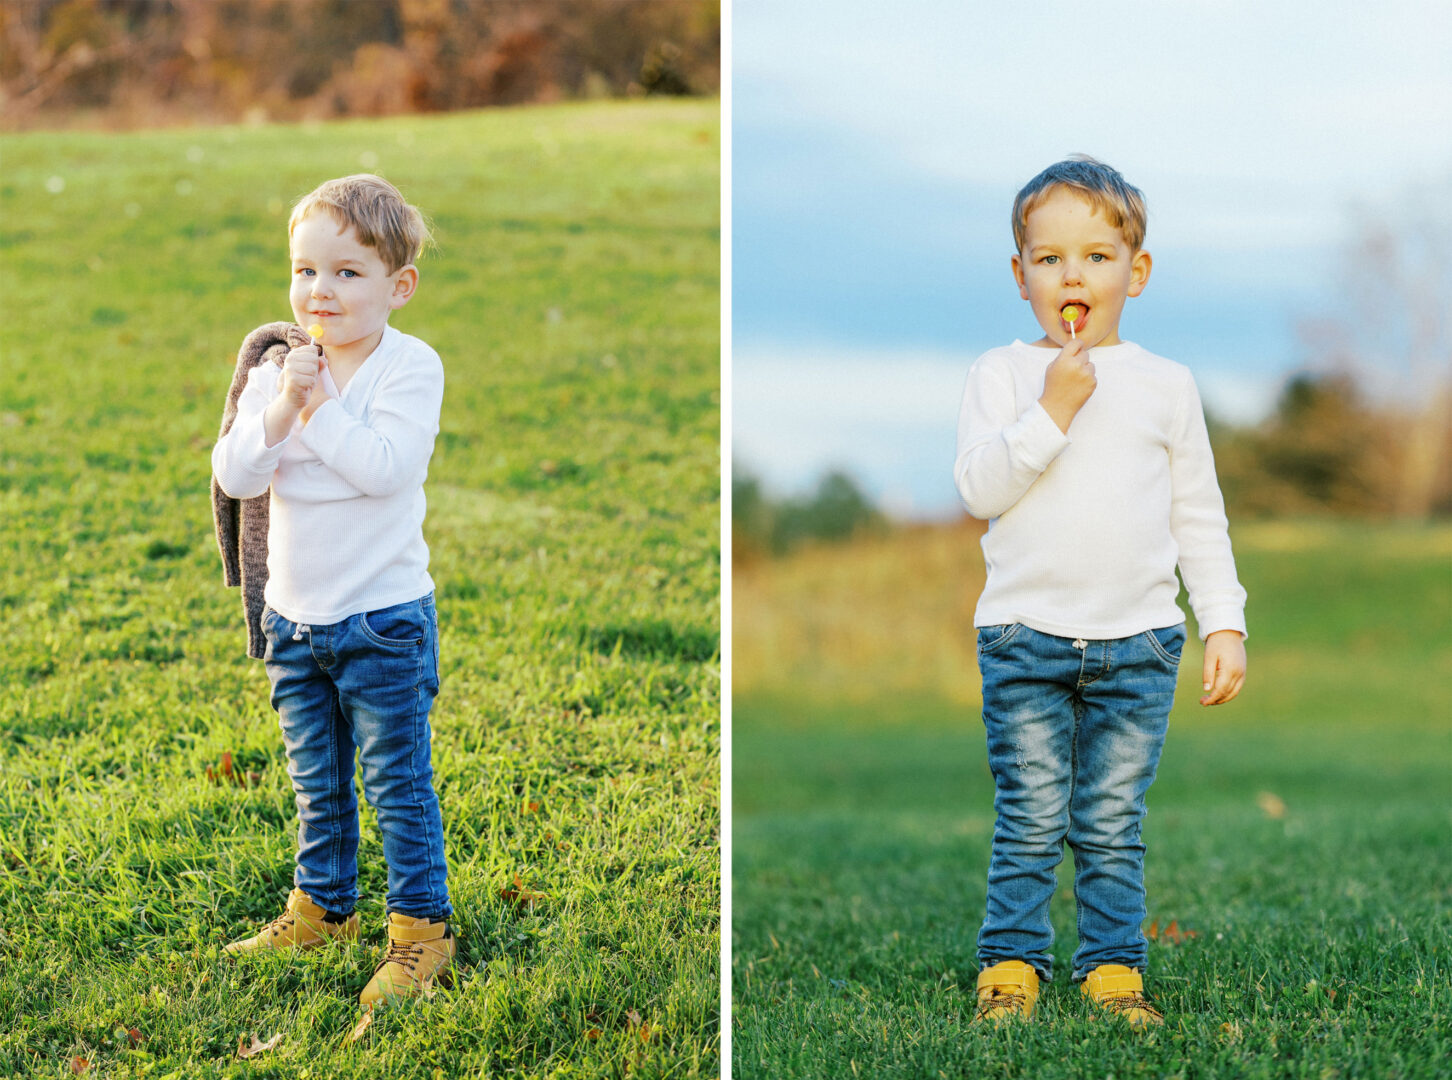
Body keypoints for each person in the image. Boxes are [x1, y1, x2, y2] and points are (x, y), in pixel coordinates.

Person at [954, 156, 1247, 1027]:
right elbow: (979, 490)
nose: (1071, 275)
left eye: (1095, 256)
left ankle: (1113, 969)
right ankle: (1011, 964)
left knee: (1112, 821)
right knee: (1032, 817)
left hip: (1141, 643)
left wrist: (1223, 622)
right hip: (1023, 637)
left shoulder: (1167, 385)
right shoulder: (1003, 375)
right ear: (1020, 277)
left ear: (1136, 272)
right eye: (1048, 260)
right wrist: (1053, 409)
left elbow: (1200, 515)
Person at [212, 174, 454, 1013]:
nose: (322, 291)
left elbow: (387, 471)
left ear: (399, 286)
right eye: (305, 270)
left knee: (396, 780)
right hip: (295, 619)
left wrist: (317, 413)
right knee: (318, 782)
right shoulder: (280, 370)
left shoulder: (408, 368)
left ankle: (422, 933)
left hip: (383, 622)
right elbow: (236, 471)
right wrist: (282, 407)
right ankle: (323, 908)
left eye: (349, 273)